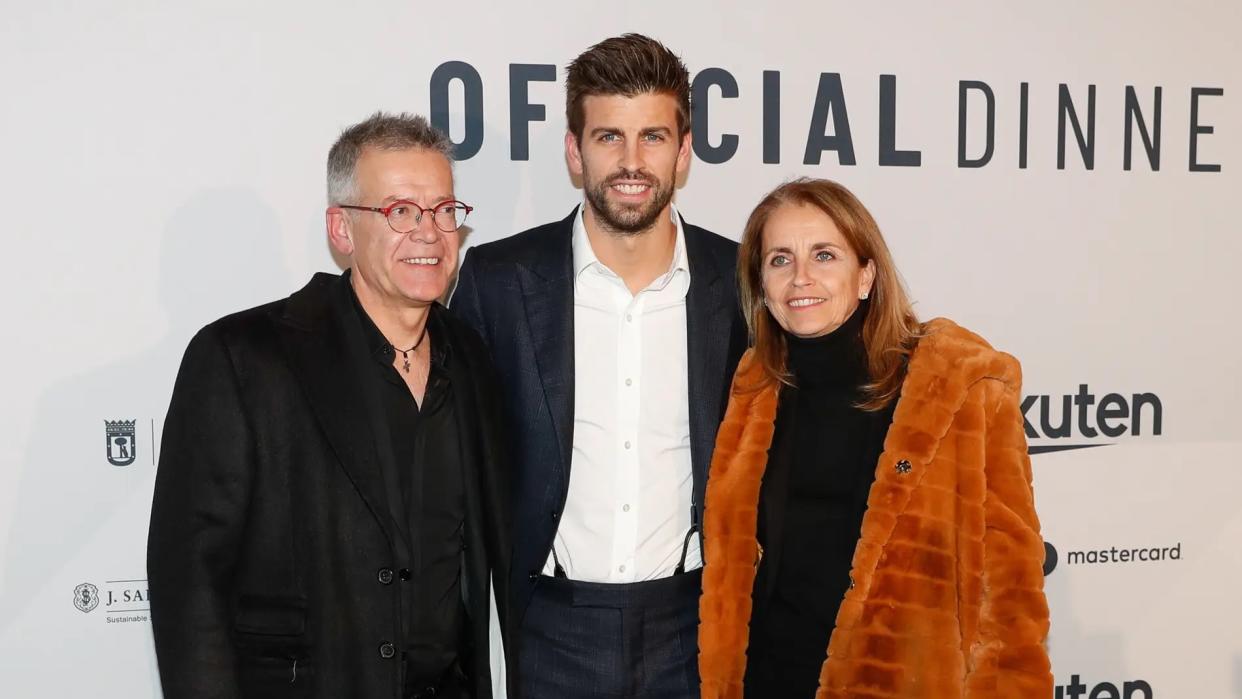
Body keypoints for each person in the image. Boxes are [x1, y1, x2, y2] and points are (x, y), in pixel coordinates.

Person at [148, 112, 512, 699]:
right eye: (400, 212)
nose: (430, 233)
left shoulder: (470, 357)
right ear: (342, 230)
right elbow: (189, 582)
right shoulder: (244, 359)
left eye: (445, 211)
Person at [452, 33, 747, 698]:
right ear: (574, 153)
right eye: (609, 137)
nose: (632, 161)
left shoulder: (739, 282)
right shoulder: (499, 281)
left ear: (685, 151)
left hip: (693, 626)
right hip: (549, 624)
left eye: (652, 136)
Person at [698, 178, 1052, 698]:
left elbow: (1009, 594)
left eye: (824, 255)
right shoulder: (752, 388)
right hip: (769, 679)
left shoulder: (959, 387)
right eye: (779, 259)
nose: (800, 278)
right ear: (761, 285)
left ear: (865, 276)